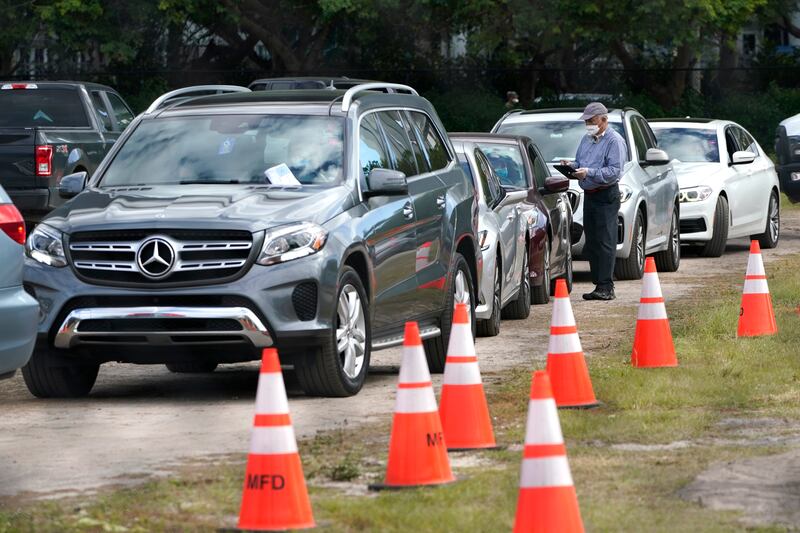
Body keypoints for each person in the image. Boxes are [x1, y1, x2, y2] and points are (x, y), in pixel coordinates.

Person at [562, 102, 627, 301]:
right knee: (592, 241)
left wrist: (588, 172)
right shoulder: (586, 139)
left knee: (606, 241)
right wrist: (571, 166)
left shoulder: (614, 141)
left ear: (604, 120)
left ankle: (606, 286)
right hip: (589, 194)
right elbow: (581, 163)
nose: (588, 124)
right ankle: (599, 284)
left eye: (592, 121)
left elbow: (614, 172)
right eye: (586, 121)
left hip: (606, 195)